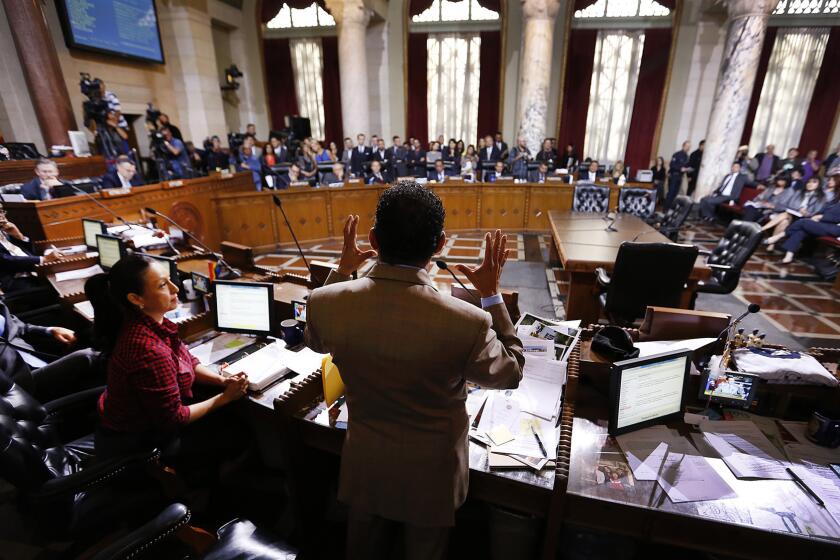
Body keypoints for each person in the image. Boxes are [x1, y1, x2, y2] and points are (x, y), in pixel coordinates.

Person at [304, 185, 524, 559]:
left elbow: (314, 340)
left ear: (373, 239)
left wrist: (343, 270)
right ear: (439, 245)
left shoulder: (326, 301)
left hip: (366, 465)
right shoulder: (468, 321)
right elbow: (511, 372)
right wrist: (491, 294)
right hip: (432, 477)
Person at [85, 254, 249, 467]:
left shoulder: (149, 322)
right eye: (163, 285)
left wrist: (220, 381)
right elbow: (174, 419)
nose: (175, 288)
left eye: (170, 279)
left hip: (143, 424)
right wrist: (224, 398)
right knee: (238, 430)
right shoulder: (147, 350)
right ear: (136, 299)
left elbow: (185, 357)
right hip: (140, 443)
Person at [0, 207, 63, 292]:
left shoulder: (4, 231)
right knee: (56, 290)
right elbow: (6, 259)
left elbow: (29, 252)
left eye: (2, 211)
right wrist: (44, 259)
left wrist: (19, 235)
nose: (2, 216)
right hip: (15, 279)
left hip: (32, 270)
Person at [778, 187, 840, 264]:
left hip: (836, 229)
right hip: (825, 224)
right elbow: (821, 211)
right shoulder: (834, 201)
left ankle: (781, 235)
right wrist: (815, 216)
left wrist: (821, 217)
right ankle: (788, 256)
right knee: (802, 230)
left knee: (803, 222)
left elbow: (837, 218)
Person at [763, 176, 828, 250]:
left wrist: (807, 213)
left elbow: (817, 212)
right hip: (792, 215)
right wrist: (799, 209)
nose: (810, 184)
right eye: (809, 182)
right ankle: (771, 244)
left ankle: (761, 230)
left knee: (785, 217)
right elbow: (790, 205)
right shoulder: (799, 192)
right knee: (784, 221)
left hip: (804, 219)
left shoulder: (821, 197)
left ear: (819, 185)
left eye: (814, 182)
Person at [665, 141, 691, 209]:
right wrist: (680, 169)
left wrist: (688, 169)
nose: (688, 148)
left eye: (689, 147)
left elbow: (686, 166)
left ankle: (671, 209)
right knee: (670, 193)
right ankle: (666, 209)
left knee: (675, 194)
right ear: (683, 146)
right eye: (687, 146)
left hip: (680, 177)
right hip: (674, 175)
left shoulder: (687, 157)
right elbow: (672, 165)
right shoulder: (677, 154)